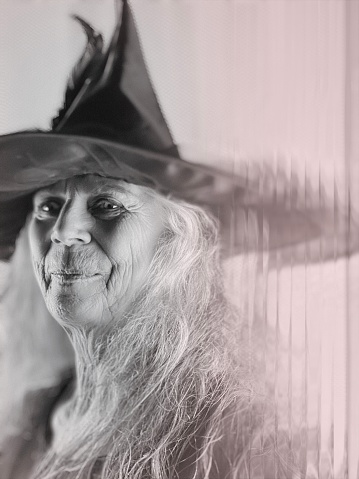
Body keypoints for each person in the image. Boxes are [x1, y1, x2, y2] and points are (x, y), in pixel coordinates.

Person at [0, 1, 320, 478]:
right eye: (48, 207)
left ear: (174, 238)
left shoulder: (239, 433)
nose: (63, 232)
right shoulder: (33, 417)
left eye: (107, 205)